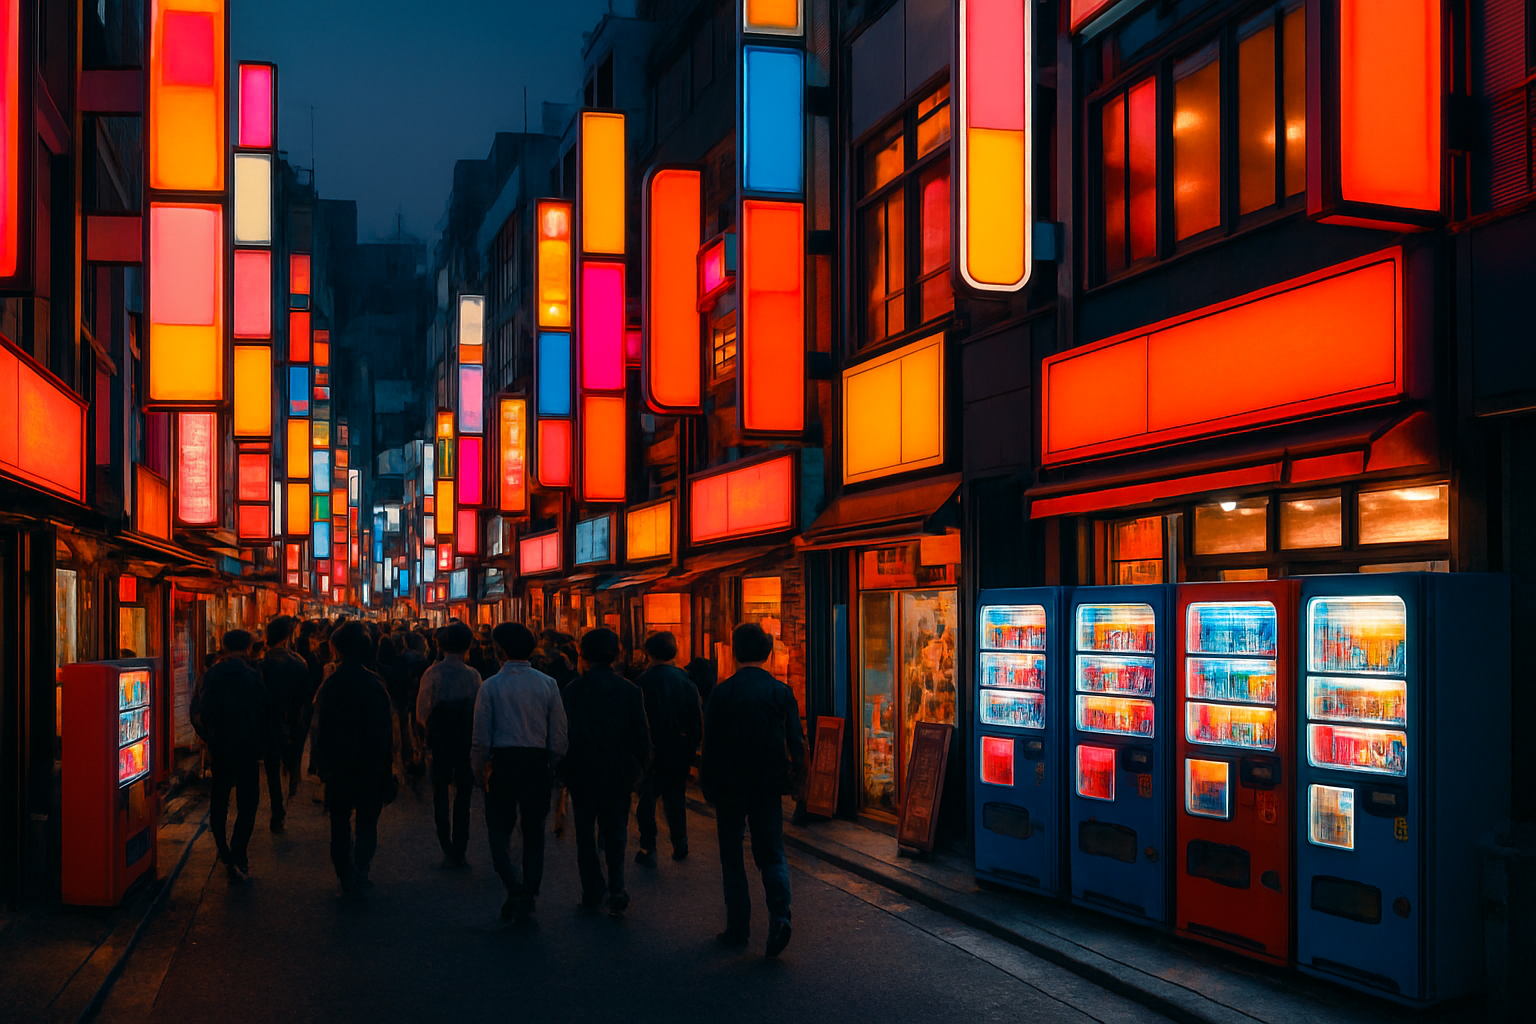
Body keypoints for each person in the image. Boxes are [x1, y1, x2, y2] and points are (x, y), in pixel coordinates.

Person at [700, 622, 806, 957]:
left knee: (731, 854)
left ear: (734, 652)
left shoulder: (721, 692)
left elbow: (711, 743)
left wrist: (707, 782)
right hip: (767, 782)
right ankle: (780, 913)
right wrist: (798, 780)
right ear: (768, 653)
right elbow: (796, 742)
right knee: (771, 850)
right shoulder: (780, 691)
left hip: (729, 783)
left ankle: (738, 927)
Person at [471, 623, 568, 923]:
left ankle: (513, 885)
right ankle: (529, 891)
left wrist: (479, 768)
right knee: (534, 831)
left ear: (499, 650)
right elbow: (559, 735)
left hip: (504, 763)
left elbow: (481, 738)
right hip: (536, 763)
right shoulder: (548, 684)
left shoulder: (490, 686)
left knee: (498, 832)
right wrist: (551, 765)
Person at [559, 628, 650, 917]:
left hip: (582, 770)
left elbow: (564, 735)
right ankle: (617, 887)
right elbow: (641, 735)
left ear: (582, 654)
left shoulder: (573, 690)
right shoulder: (629, 690)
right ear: (616, 654)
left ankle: (592, 890)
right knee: (616, 832)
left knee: (585, 834)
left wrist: (561, 771)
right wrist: (643, 768)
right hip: (618, 771)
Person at [312, 622, 395, 894]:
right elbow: (384, 731)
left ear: (336, 649)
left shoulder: (331, 685)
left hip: (339, 766)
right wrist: (387, 767)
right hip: (370, 765)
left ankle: (344, 870)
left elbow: (321, 729)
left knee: (339, 820)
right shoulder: (374, 685)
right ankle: (361, 867)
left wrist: (322, 766)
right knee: (367, 820)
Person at [190, 630, 267, 883]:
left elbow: (198, 710)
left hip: (221, 745)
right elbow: (263, 710)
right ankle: (239, 850)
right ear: (248, 647)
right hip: (247, 746)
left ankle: (223, 849)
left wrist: (207, 738)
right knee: (248, 801)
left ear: (223, 646)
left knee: (220, 798)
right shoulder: (253, 675)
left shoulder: (211, 674)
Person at [415, 623, 481, 866]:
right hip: (465, 737)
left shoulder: (433, 673)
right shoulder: (473, 675)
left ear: (439, 645)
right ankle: (460, 843)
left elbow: (422, 710)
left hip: (441, 737)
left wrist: (423, 734)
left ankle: (445, 839)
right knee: (464, 791)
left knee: (440, 788)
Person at [634, 632, 702, 865]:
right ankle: (679, 841)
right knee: (675, 796)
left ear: (649, 653)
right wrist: (692, 746)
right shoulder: (685, 681)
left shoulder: (642, 681)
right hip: (678, 748)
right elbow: (695, 718)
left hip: (651, 748)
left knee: (647, 797)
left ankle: (648, 844)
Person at [259, 616, 310, 831]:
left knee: (272, 767)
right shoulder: (299, 662)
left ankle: (277, 810)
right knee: (290, 757)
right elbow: (304, 696)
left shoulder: (261, 663)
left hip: (269, 721)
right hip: (293, 719)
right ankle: (293, 780)